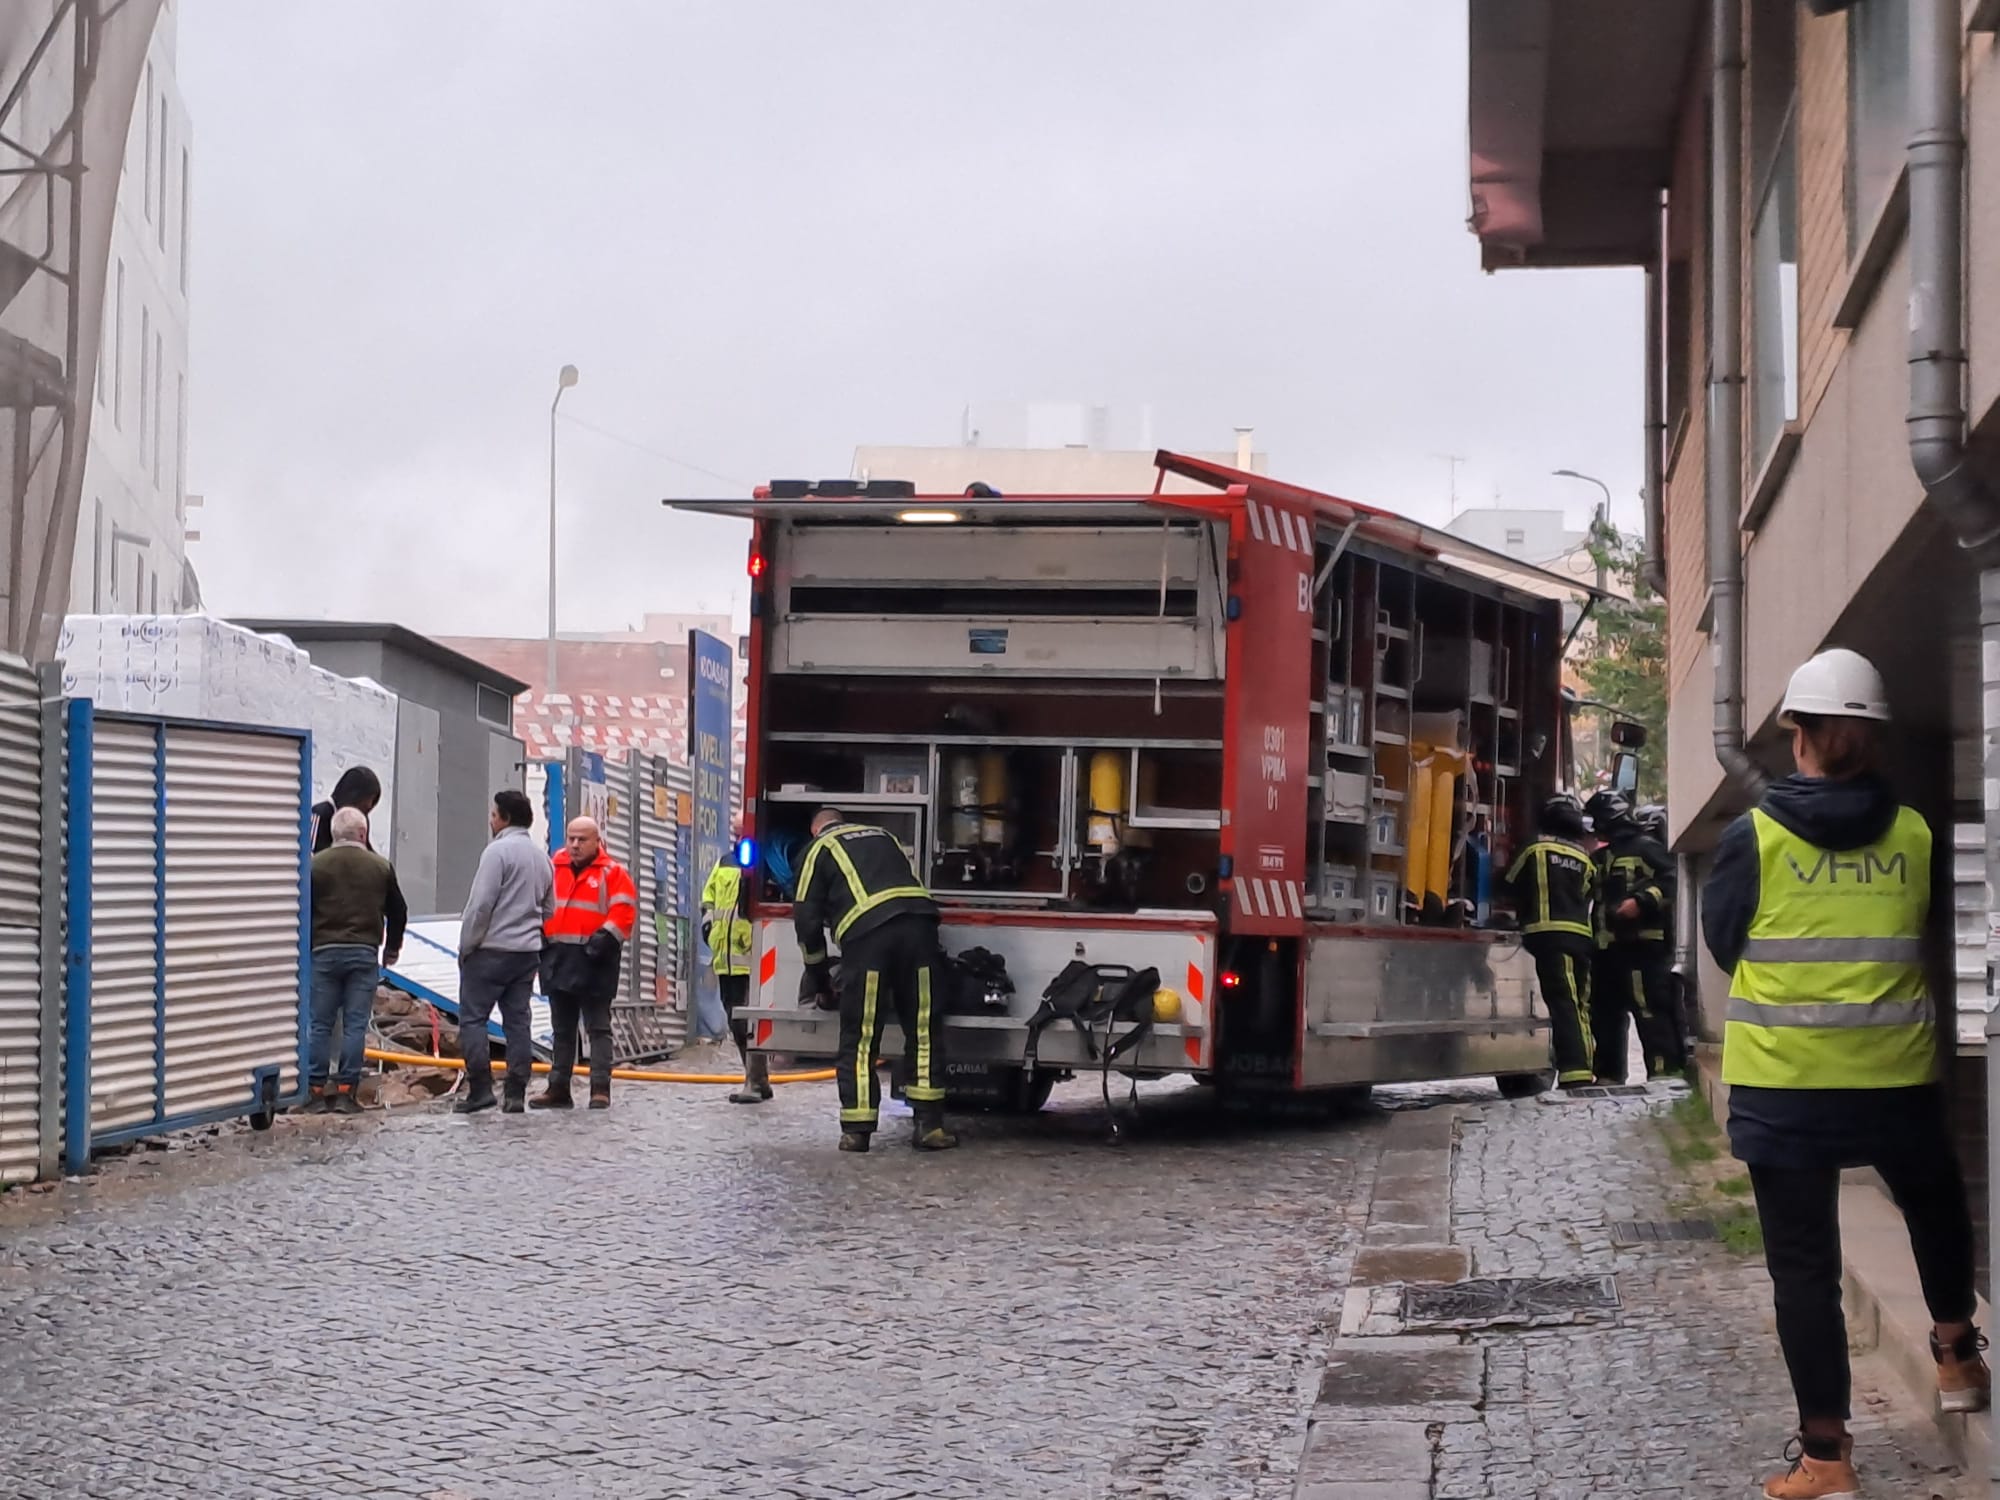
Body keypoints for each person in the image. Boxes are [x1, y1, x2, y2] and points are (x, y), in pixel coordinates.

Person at [1702, 647, 1987, 1499]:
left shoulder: (1750, 838)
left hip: (1785, 1084)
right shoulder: (1915, 835)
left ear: (1800, 737)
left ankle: (1827, 1459)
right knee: (1935, 1208)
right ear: (1872, 738)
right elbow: (1928, 926)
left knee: (1803, 1268)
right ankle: (1956, 1355)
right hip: (1895, 1077)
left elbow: (1723, 943)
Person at [794, 808, 954, 1153]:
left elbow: (806, 921)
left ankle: (857, 1130)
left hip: (868, 938)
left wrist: (820, 980)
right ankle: (929, 1126)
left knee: (862, 1035)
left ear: (815, 829)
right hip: (921, 928)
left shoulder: (817, 849)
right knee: (924, 1028)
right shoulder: (883, 835)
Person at [457, 788, 555, 1115]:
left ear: (504, 819)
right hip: (526, 955)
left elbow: (480, 905)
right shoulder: (543, 858)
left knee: (473, 1019)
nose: (491, 820)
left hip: (490, 951)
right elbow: (549, 910)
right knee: (517, 1021)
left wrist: (467, 945)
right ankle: (515, 1093)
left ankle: (480, 1090)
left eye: (493, 814)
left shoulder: (496, 853)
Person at [305, 807, 408, 1114]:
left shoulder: (315, 866)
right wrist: (392, 948)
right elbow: (398, 912)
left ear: (335, 833)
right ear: (362, 834)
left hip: (323, 953)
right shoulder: (380, 866)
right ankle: (347, 1091)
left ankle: (315, 1090)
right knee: (354, 1024)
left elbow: (302, 907)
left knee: (320, 1024)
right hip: (364, 953)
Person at [532, 817, 638, 1111]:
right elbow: (538, 905)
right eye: (571, 838)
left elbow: (624, 911)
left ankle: (600, 1089)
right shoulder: (553, 869)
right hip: (558, 958)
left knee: (598, 1028)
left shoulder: (613, 873)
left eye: (582, 840)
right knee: (562, 1030)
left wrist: (606, 936)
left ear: (597, 841)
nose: (575, 845)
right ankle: (558, 1088)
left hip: (596, 960)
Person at [1586, 788, 1681, 1082]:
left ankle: (1662, 1073)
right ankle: (1608, 1075)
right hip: (1605, 952)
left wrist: (1640, 902)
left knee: (1650, 1011)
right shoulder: (1600, 857)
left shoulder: (1647, 848)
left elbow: (1672, 879)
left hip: (1643, 949)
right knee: (1604, 1016)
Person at [1502, 794, 1597, 1088]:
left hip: (1548, 936)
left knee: (1563, 1003)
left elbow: (1509, 881)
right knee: (1579, 1004)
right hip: (1581, 937)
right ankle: (1583, 1068)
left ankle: (1575, 1073)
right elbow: (1590, 892)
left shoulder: (1534, 850)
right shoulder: (1584, 857)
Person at [701, 835, 766, 1104]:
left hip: (753, 959)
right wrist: (708, 928)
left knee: (751, 1022)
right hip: (725, 959)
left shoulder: (765, 861)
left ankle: (755, 1081)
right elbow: (709, 899)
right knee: (736, 1021)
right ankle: (756, 1078)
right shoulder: (725, 862)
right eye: (738, 831)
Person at [312, 766, 381, 854]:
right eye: (369, 799)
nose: (369, 805)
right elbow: (310, 853)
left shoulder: (360, 819)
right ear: (355, 795)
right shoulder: (320, 813)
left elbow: (367, 852)